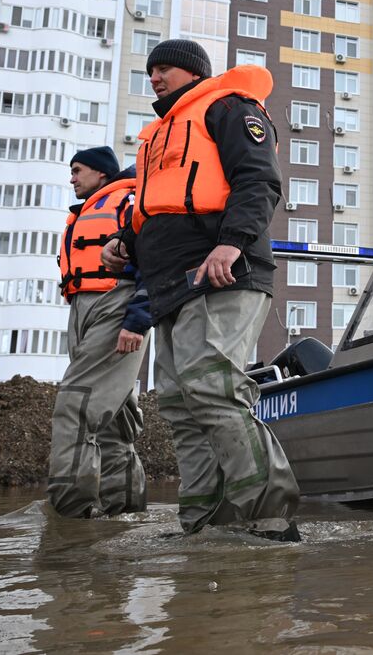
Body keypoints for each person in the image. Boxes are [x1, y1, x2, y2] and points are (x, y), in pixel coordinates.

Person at [101, 39, 300, 539]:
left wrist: (231, 243)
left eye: (164, 69)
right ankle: (204, 522)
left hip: (223, 272)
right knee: (179, 402)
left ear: (193, 72)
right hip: (170, 284)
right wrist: (125, 241)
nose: (155, 78)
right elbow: (157, 205)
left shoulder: (229, 108)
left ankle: (267, 517)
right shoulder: (157, 137)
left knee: (213, 388)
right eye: (150, 72)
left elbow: (258, 180)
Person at [47, 147, 151, 518]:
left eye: (78, 170)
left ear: (102, 174)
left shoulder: (127, 201)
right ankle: (125, 514)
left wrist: (136, 319)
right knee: (111, 420)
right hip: (84, 309)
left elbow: (151, 257)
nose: (72, 177)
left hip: (114, 304)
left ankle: (70, 519)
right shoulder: (87, 212)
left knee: (76, 407)